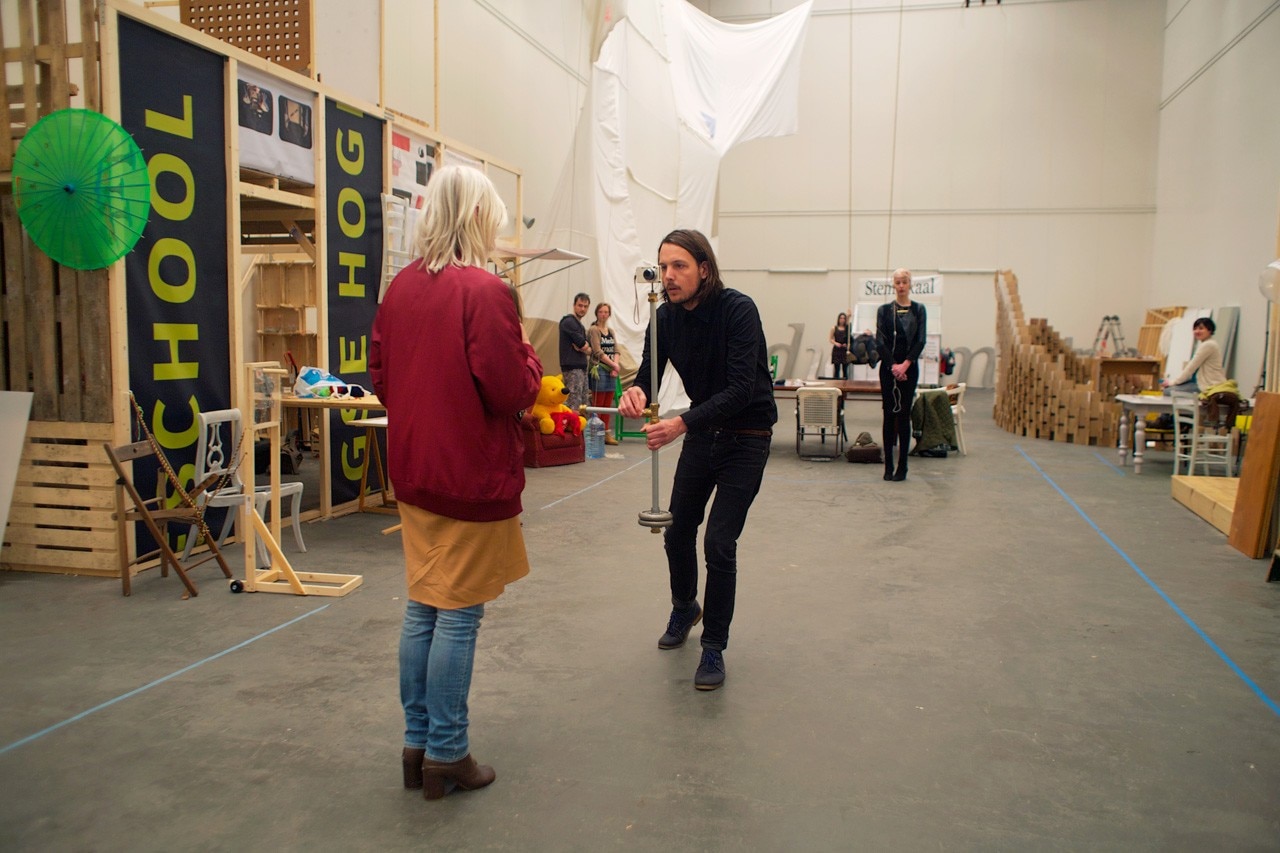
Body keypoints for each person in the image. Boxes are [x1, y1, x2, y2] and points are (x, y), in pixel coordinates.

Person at [370, 165, 542, 802]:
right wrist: (526, 350)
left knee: (423, 607)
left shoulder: (402, 287)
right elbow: (512, 389)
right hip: (469, 473)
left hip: (416, 470)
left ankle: (418, 746)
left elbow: (382, 375)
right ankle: (447, 751)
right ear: (477, 217)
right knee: (459, 616)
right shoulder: (485, 292)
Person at [618, 229, 777, 691]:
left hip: (747, 436)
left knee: (719, 544)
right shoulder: (664, 317)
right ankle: (685, 605)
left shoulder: (738, 310)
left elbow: (741, 388)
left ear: (704, 268)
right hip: (705, 432)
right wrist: (636, 392)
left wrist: (680, 424)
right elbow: (649, 372)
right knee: (678, 529)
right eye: (663, 267)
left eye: (679, 266)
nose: (668, 276)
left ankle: (713, 646)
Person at [876, 268, 927, 482]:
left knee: (903, 416)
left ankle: (902, 467)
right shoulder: (884, 310)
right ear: (893, 285)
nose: (901, 285)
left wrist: (905, 365)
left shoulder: (919, 310)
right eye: (897, 282)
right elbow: (880, 341)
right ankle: (888, 465)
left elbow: (920, 340)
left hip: (909, 368)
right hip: (889, 369)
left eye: (904, 281)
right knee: (889, 415)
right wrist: (893, 366)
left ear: (910, 284)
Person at [1162, 317, 1225, 395]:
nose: (1197, 331)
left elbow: (1191, 368)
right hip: (1201, 383)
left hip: (1208, 385)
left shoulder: (1208, 345)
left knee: (1168, 391)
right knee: (1170, 389)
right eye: (1195, 329)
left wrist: (1173, 382)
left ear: (1210, 330)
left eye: (1201, 328)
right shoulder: (1208, 343)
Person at [587, 301, 621, 445]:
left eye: (606, 312)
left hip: (611, 370)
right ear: (597, 313)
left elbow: (617, 350)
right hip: (599, 368)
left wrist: (616, 366)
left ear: (609, 314)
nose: (603, 314)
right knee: (598, 403)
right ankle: (596, 433)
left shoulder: (611, 331)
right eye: (601, 312)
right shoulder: (594, 330)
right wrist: (612, 364)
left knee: (608, 403)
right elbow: (597, 351)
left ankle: (606, 432)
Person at [559, 293, 592, 411]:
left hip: (582, 367)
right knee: (574, 402)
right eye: (580, 305)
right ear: (574, 305)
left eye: (585, 306)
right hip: (572, 368)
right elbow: (583, 344)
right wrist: (584, 346)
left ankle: (581, 428)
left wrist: (584, 346)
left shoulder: (580, 326)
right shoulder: (568, 322)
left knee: (584, 403)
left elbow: (588, 348)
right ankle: (573, 428)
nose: (582, 309)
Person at [829, 312, 851, 379]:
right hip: (837, 350)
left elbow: (849, 339)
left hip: (844, 350)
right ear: (838, 319)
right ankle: (836, 384)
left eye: (844, 318)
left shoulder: (847, 329)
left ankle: (845, 385)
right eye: (841, 318)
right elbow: (830, 339)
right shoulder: (834, 328)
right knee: (837, 369)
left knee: (845, 370)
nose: (842, 320)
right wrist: (836, 343)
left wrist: (846, 345)